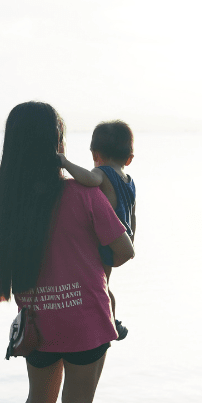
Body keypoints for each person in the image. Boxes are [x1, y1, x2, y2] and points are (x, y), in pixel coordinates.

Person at [0, 102, 134, 403]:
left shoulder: (8, 204)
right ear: (56, 144)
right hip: (85, 318)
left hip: (37, 322)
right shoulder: (82, 193)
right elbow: (123, 252)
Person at [57, 120, 136, 340]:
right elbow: (134, 215)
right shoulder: (129, 181)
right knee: (106, 283)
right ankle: (113, 319)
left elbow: (89, 179)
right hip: (123, 237)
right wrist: (131, 239)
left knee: (103, 286)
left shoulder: (103, 172)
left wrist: (65, 163)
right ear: (129, 159)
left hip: (106, 242)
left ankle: (112, 322)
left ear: (95, 154)